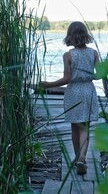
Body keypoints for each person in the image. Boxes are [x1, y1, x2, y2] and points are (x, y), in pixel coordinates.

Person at [39, 21, 99, 175]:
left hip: (73, 91)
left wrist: (47, 84)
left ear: (70, 37)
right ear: (85, 35)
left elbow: (66, 79)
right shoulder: (93, 53)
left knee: (74, 126)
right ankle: (82, 158)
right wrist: (88, 75)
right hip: (88, 90)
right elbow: (100, 75)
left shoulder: (68, 55)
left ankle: (78, 157)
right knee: (85, 126)